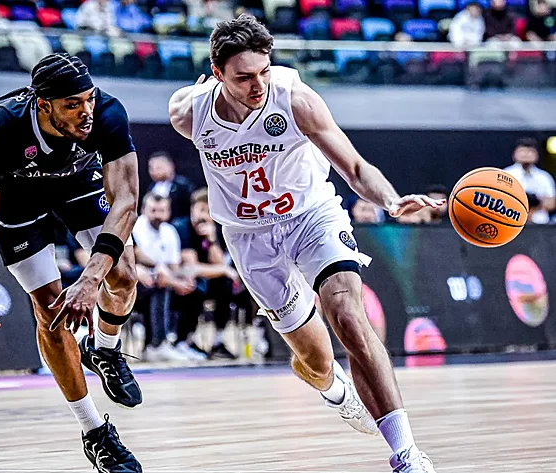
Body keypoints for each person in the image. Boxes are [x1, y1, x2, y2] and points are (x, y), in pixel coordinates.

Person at [168, 15, 444, 473]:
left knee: (349, 317)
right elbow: (182, 102)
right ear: (217, 74)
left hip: (311, 216)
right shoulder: (188, 114)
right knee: (315, 360)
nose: (258, 85)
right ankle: (334, 389)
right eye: (244, 77)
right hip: (249, 237)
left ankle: (407, 455)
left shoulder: (294, 99)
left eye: (264, 71)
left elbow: (354, 167)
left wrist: (392, 200)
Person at [0, 53, 142, 473]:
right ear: (43, 105)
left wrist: (91, 278)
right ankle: (95, 432)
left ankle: (104, 350)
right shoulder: (0, 127)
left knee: (124, 275)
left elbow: (126, 202)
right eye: (73, 104)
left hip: (79, 185)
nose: (86, 111)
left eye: (89, 99)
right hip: (17, 204)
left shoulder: (108, 113)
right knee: (50, 312)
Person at [172, 187, 239, 360]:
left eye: (209, 211)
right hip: (180, 279)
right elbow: (192, 267)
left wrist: (211, 240)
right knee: (195, 285)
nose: (204, 216)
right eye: (201, 209)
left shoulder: (217, 229)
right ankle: (186, 340)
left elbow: (220, 263)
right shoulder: (181, 227)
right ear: (192, 208)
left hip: (207, 280)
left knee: (225, 283)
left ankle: (218, 341)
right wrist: (223, 270)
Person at [132, 192, 196, 361]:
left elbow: (173, 267)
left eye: (162, 210)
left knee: (195, 287)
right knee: (158, 284)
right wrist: (172, 280)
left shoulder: (169, 231)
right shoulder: (135, 228)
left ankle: (182, 342)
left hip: (162, 277)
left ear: (169, 212)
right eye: (153, 210)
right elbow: (136, 258)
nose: (158, 215)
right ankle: (156, 344)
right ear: (143, 210)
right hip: (136, 282)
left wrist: (183, 280)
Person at [503, 137, 556, 224]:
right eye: (522, 151)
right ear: (514, 154)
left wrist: (535, 203)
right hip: (511, 222)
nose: (526, 154)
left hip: (540, 224)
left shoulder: (544, 177)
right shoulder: (506, 174)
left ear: (537, 155)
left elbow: (551, 203)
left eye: (530, 151)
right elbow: (500, 199)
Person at [147, 151, 196, 220]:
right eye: (151, 168)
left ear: (171, 166)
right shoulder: (151, 187)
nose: (154, 171)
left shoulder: (183, 186)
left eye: (158, 168)